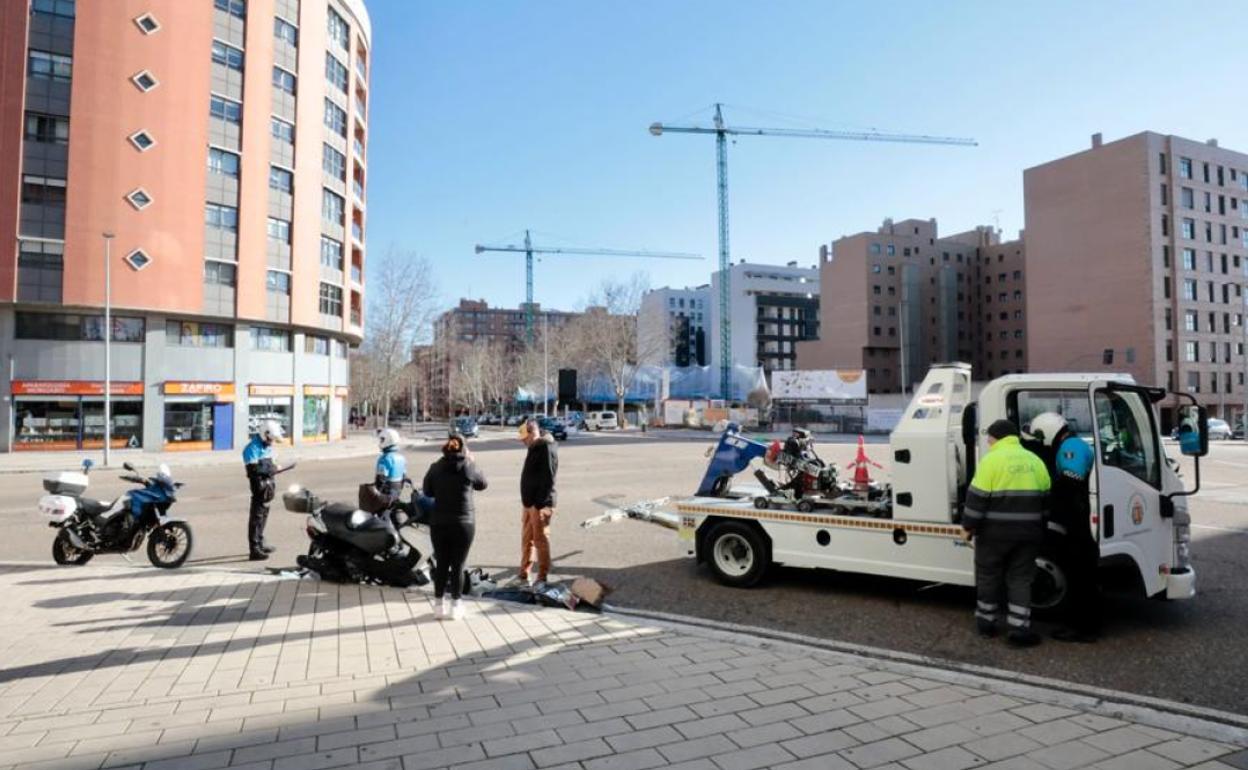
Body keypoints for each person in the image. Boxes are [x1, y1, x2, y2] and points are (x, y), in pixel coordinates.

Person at [962, 418, 1051, 647]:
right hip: (1028, 535)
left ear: (996, 437)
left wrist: (968, 527)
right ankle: (1020, 628)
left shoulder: (991, 461)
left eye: (990, 438)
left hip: (994, 535)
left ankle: (986, 624)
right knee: (1020, 579)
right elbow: (1046, 500)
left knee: (988, 576)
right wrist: (1040, 527)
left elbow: (976, 499)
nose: (989, 442)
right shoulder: (1035, 461)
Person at [1027, 412, 1099, 643]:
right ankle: (1082, 625)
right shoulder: (1073, 444)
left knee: (1080, 576)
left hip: (1078, 525)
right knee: (1080, 575)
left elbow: (1071, 483)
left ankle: (1082, 628)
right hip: (1079, 522)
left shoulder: (1072, 447)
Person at [421, 432, 487, 620]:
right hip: (463, 523)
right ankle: (456, 606)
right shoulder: (468, 466)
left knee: (441, 563)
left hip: (439, 522)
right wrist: (472, 461)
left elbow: (427, 491)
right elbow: (483, 484)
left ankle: (438, 606)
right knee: (458, 565)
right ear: (464, 448)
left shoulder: (435, 467)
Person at [519, 418, 559, 585]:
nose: (523, 441)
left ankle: (542, 576)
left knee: (540, 540)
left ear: (532, 433)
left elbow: (548, 479)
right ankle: (524, 572)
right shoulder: (534, 447)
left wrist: (539, 504)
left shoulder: (546, 447)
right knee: (527, 538)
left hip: (540, 504)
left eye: (524, 438)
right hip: (529, 504)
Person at [243, 420, 284, 561]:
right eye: (270, 439)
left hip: (268, 487)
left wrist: (274, 467)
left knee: (263, 516)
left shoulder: (266, 446)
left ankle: (260, 542)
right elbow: (254, 470)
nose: (271, 442)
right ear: (264, 434)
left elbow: (270, 463)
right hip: (259, 487)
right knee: (256, 518)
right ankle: (254, 549)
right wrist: (272, 468)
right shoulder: (252, 448)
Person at [374, 428, 407, 509]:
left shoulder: (385, 458)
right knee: (393, 508)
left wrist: (377, 491)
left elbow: (381, 478)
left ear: (388, 440)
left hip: (387, 489)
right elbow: (404, 476)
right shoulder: (401, 458)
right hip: (398, 488)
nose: (381, 442)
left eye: (382, 439)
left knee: (383, 512)